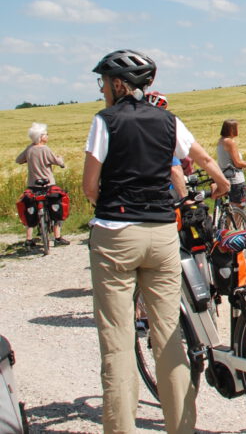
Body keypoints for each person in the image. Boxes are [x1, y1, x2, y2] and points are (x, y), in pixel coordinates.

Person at [82, 49, 228, 434]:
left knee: (118, 339)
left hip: (116, 234)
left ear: (117, 84)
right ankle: (181, 427)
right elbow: (203, 160)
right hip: (162, 234)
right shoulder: (169, 120)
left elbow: (89, 187)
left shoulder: (105, 121)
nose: (101, 91)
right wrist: (223, 183)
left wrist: (111, 201)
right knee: (169, 336)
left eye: (102, 83)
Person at [15, 122, 66, 248]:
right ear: (41, 136)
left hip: (33, 185)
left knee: (30, 207)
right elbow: (56, 161)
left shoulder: (29, 149)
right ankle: (57, 237)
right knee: (56, 206)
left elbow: (18, 160)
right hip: (48, 185)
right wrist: (61, 161)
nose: (47, 136)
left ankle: (28, 239)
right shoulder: (46, 149)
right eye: (46, 134)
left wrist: (29, 157)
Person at [216, 119, 246, 205]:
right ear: (232, 129)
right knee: (239, 206)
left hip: (224, 176)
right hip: (235, 178)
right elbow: (237, 163)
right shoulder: (230, 142)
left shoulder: (221, 140)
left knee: (231, 206)